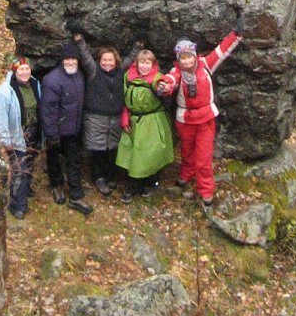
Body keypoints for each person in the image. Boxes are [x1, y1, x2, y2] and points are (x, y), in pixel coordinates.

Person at [157, 30, 243, 209]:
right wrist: (163, 85)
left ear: (195, 56)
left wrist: (236, 34)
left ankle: (205, 189)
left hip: (205, 119)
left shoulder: (205, 64)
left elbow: (222, 51)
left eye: (189, 57)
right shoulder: (177, 71)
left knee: (203, 157)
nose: (187, 61)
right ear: (178, 59)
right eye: (183, 58)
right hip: (185, 119)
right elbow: (170, 80)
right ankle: (186, 174)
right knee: (187, 151)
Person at [73, 33, 132, 196]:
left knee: (112, 149)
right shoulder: (94, 71)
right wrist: (79, 40)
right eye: (104, 60)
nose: (107, 63)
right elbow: (85, 57)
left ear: (115, 61)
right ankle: (98, 177)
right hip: (95, 118)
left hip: (115, 118)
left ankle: (110, 175)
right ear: (99, 61)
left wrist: (139, 45)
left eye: (110, 60)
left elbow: (132, 58)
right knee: (97, 150)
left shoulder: (121, 72)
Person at [115, 48, 175, 202]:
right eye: (142, 62)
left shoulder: (157, 78)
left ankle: (148, 183)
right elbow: (124, 98)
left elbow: (163, 86)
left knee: (150, 153)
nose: (144, 66)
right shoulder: (128, 76)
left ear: (153, 64)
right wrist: (124, 118)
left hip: (152, 121)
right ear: (136, 63)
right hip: (133, 120)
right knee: (133, 154)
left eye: (148, 63)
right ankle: (133, 186)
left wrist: (165, 88)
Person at [40, 42, 93, 215]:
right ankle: (57, 186)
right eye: (67, 59)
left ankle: (76, 195)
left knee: (73, 160)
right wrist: (51, 134)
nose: (71, 62)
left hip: (73, 129)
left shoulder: (79, 76)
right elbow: (48, 110)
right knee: (54, 159)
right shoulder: (52, 80)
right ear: (62, 61)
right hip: (57, 129)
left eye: (73, 59)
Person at [0, 56, 42, 220]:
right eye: (21, 69)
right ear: (14, 71)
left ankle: (24, 190)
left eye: (27, 68)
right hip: (16, 135)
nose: (25, 72)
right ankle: (17, 205)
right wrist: (6, 140)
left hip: (33, 131)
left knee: (29, 163)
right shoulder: (5, 91)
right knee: (20, 168)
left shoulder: (35, 84)